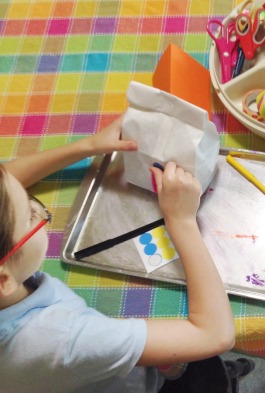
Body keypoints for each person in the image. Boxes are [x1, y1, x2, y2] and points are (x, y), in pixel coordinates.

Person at [0, 115, 236, 392]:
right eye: (30, 215)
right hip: (144, 384)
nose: (36, 210)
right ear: (4, 280)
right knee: (206, 376)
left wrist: (88, 146)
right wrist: (181, 221)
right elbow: (215, 335)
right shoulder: (61, 340)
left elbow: (7, 180)